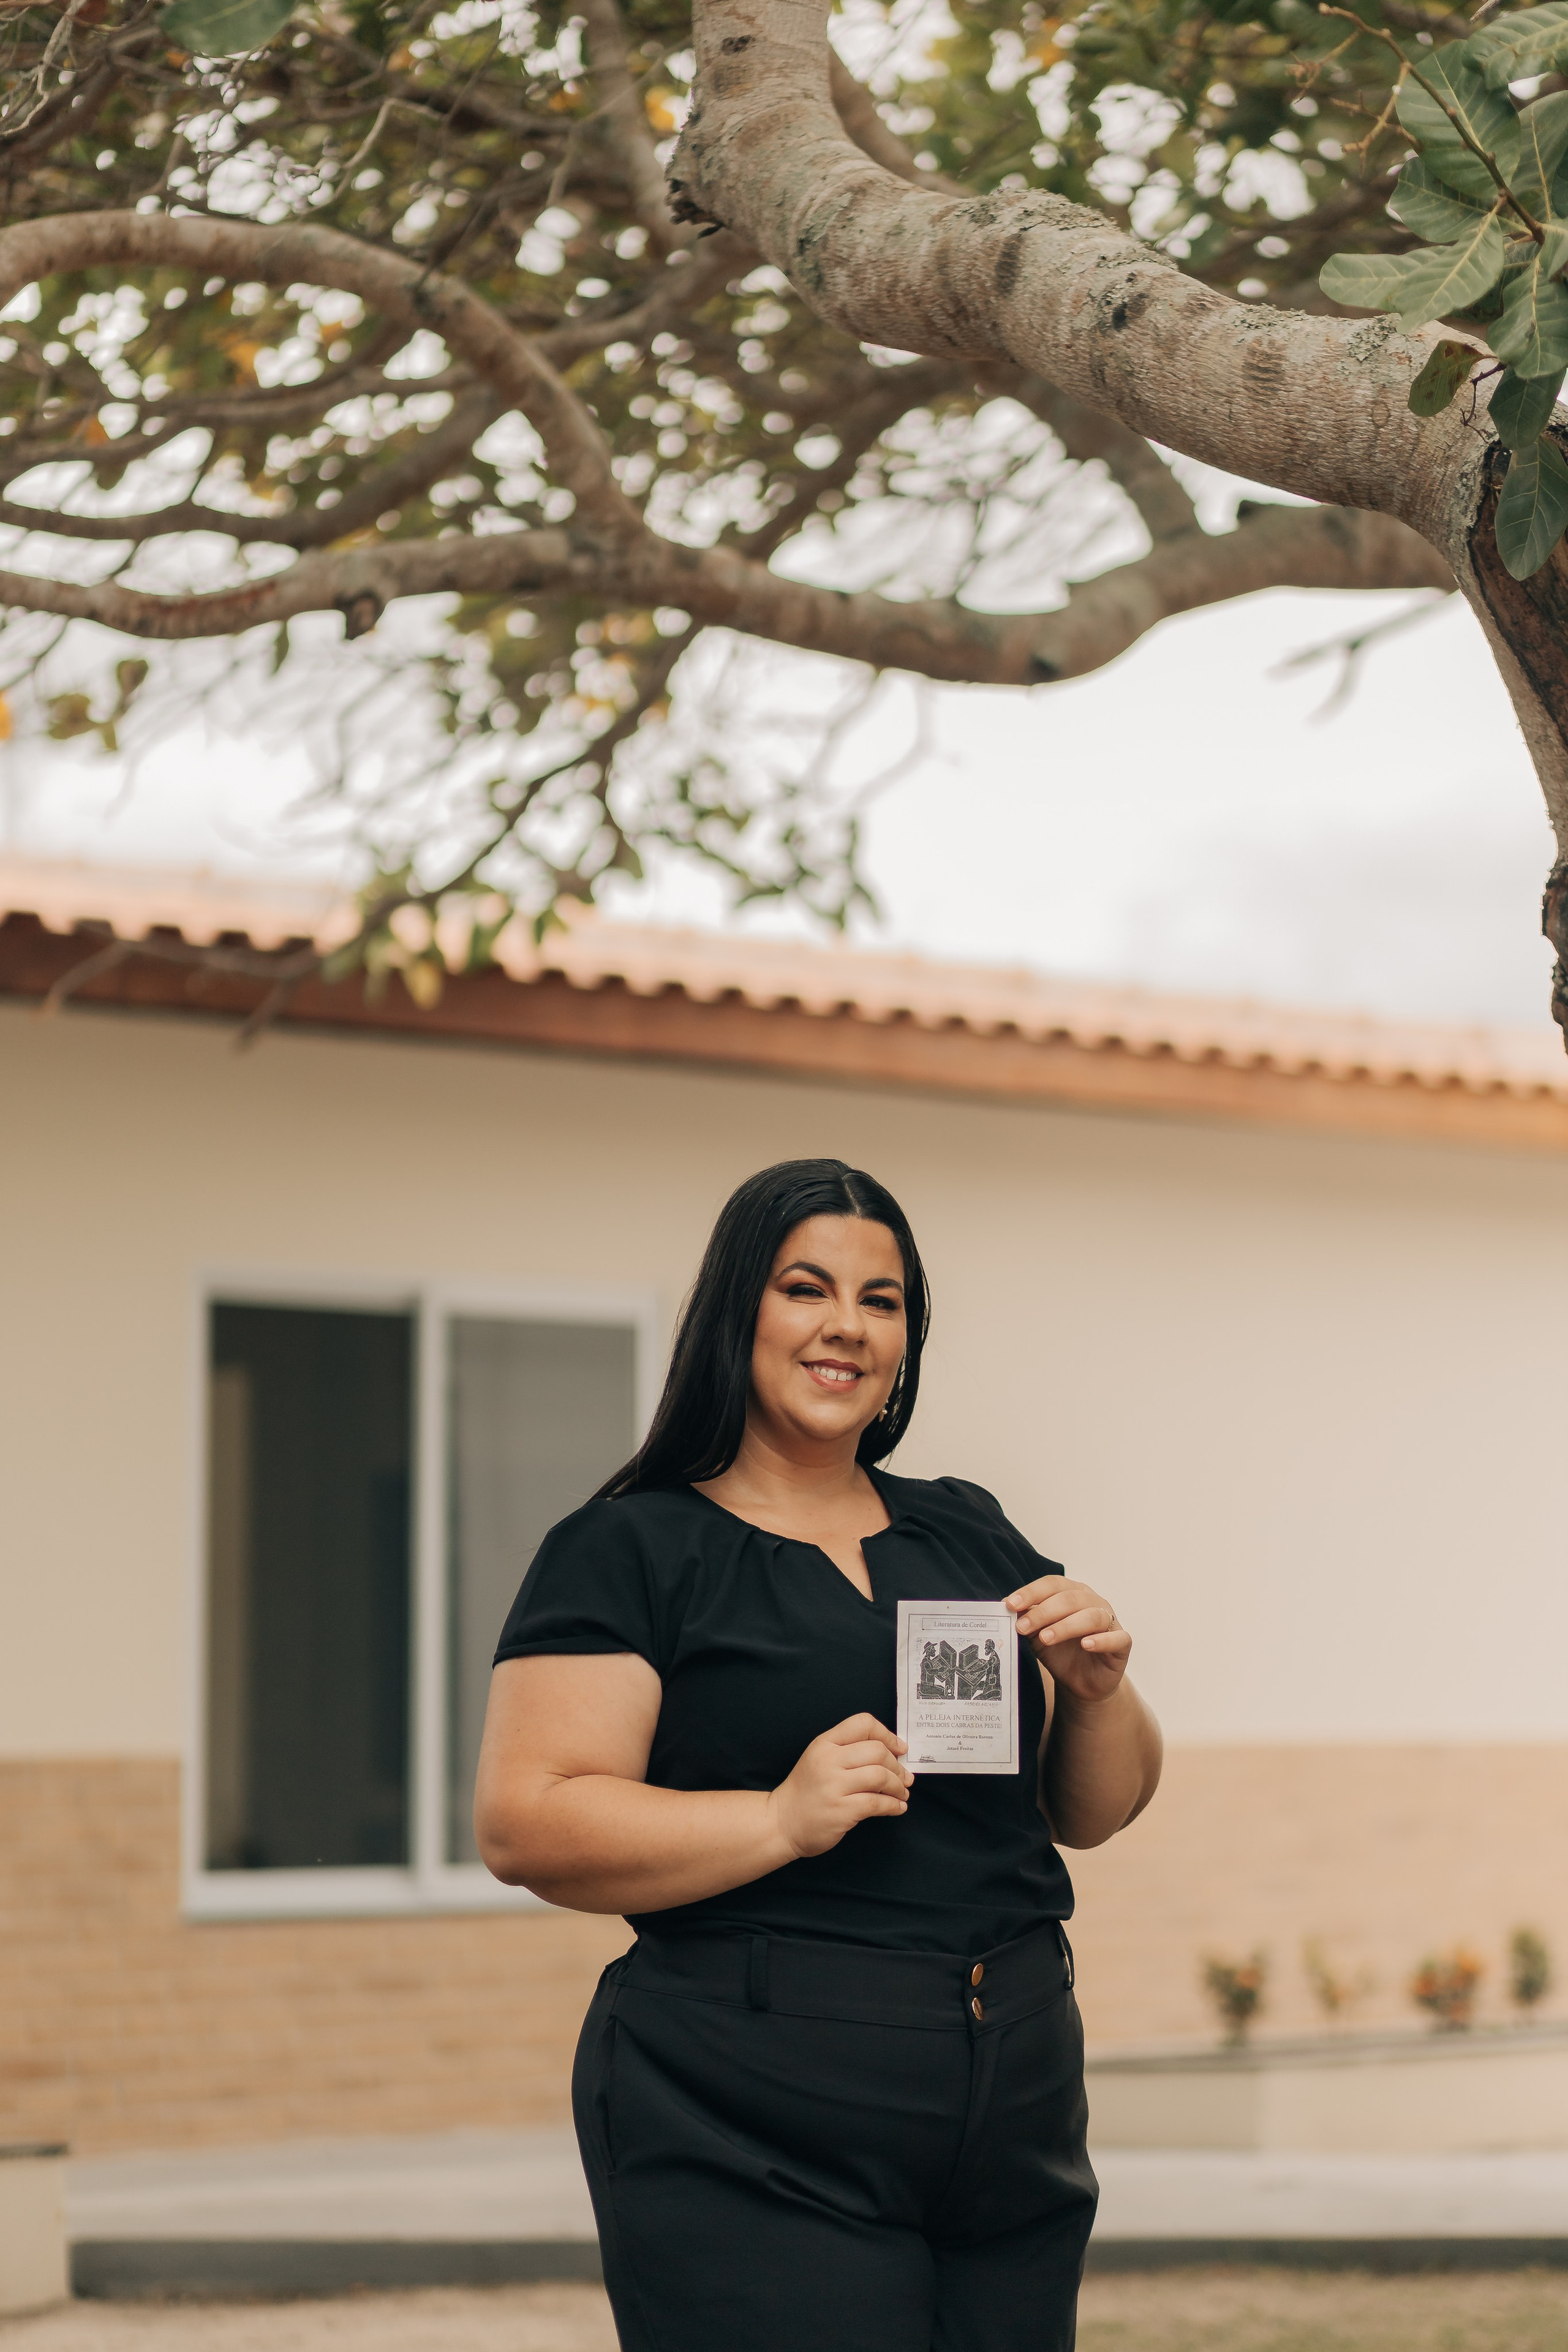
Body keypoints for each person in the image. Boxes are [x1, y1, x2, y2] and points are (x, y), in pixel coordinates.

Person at [474, 1158, 1163, 2352]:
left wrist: (1099, 1694)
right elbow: (525, 1822)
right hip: (750, 2102)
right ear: (738, 1309)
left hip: (1010, 2091)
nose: (846, 1325)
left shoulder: (965, 1527)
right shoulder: (630, 1547)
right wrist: (778, 1818)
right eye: (807, 1288)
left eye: (881, 1300)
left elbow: (1091, 1813)